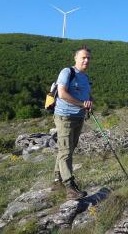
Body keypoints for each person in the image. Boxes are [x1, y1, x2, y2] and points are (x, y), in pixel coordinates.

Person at [54, 45, 93, 200]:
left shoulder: (85, 77)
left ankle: (58, 178)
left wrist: (89, 102)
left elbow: (87, 95)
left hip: (79, 116)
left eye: (88, 58)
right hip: (65, 116)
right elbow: (62, 93)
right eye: (83, 57)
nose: (86, 60)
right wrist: (81, 104)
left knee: (68, 149)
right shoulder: (67, 72)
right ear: (75, 58)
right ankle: (70, 186)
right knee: (65, 151)